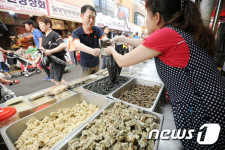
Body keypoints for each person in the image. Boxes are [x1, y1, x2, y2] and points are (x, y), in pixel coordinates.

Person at [104, 0, 225, 149]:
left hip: (203, 108)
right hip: (211, 99)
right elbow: (145, 43)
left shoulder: (167, 33)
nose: (146, 20)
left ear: (157, 17)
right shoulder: (178, 32)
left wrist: (111, 51)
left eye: (147, 14)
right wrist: (122, 39)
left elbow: (123, 61)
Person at [72, 5, 108, 76]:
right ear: (81, 16)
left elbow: (104, 39)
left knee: (96, 79)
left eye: (93, 18)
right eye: (89, 17)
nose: (91, 20)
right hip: (86, 64)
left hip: (96, 62)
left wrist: (104, 51)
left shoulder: (97, 29)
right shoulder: (77, 32)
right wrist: (92, 51)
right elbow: (77, 44)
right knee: (88, 82)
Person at [37, 16, 67, 85]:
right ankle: (68, 86)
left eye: (41, 23)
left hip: (59, 60)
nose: (40, 26)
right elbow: (42, 50)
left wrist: (51, 51)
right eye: (39, 24)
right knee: (53, 79)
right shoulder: (44, 37)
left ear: (48, 24)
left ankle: (63, 93)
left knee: (57, 81)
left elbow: (63, 45)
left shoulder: (54, 34)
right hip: (52, 62)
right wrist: (37, 60)